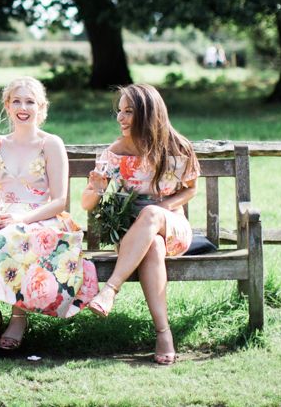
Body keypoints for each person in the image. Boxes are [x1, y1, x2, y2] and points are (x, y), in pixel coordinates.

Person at [0, 76, 98, 351]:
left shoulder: (50, 144)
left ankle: (18, 317)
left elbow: (59, 200)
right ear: (7, 106)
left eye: (30, 101)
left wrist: (21, 219)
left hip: (40, 216)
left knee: (18, 238)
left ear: (41, 107)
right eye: (17, 101)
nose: (23, 107)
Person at [81, 83, 199, 365]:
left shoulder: (178, 148)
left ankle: (110, 289)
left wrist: (161, 208)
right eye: (119, 111)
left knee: (151, 217)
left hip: (173, 228)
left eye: (129, 111)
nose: (120, 118)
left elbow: (190, 189)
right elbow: (86, 203)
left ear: (148, 113)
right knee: (152, 246)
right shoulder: (116, 152)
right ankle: (163, 333)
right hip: (133, 238)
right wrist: (95, 189)